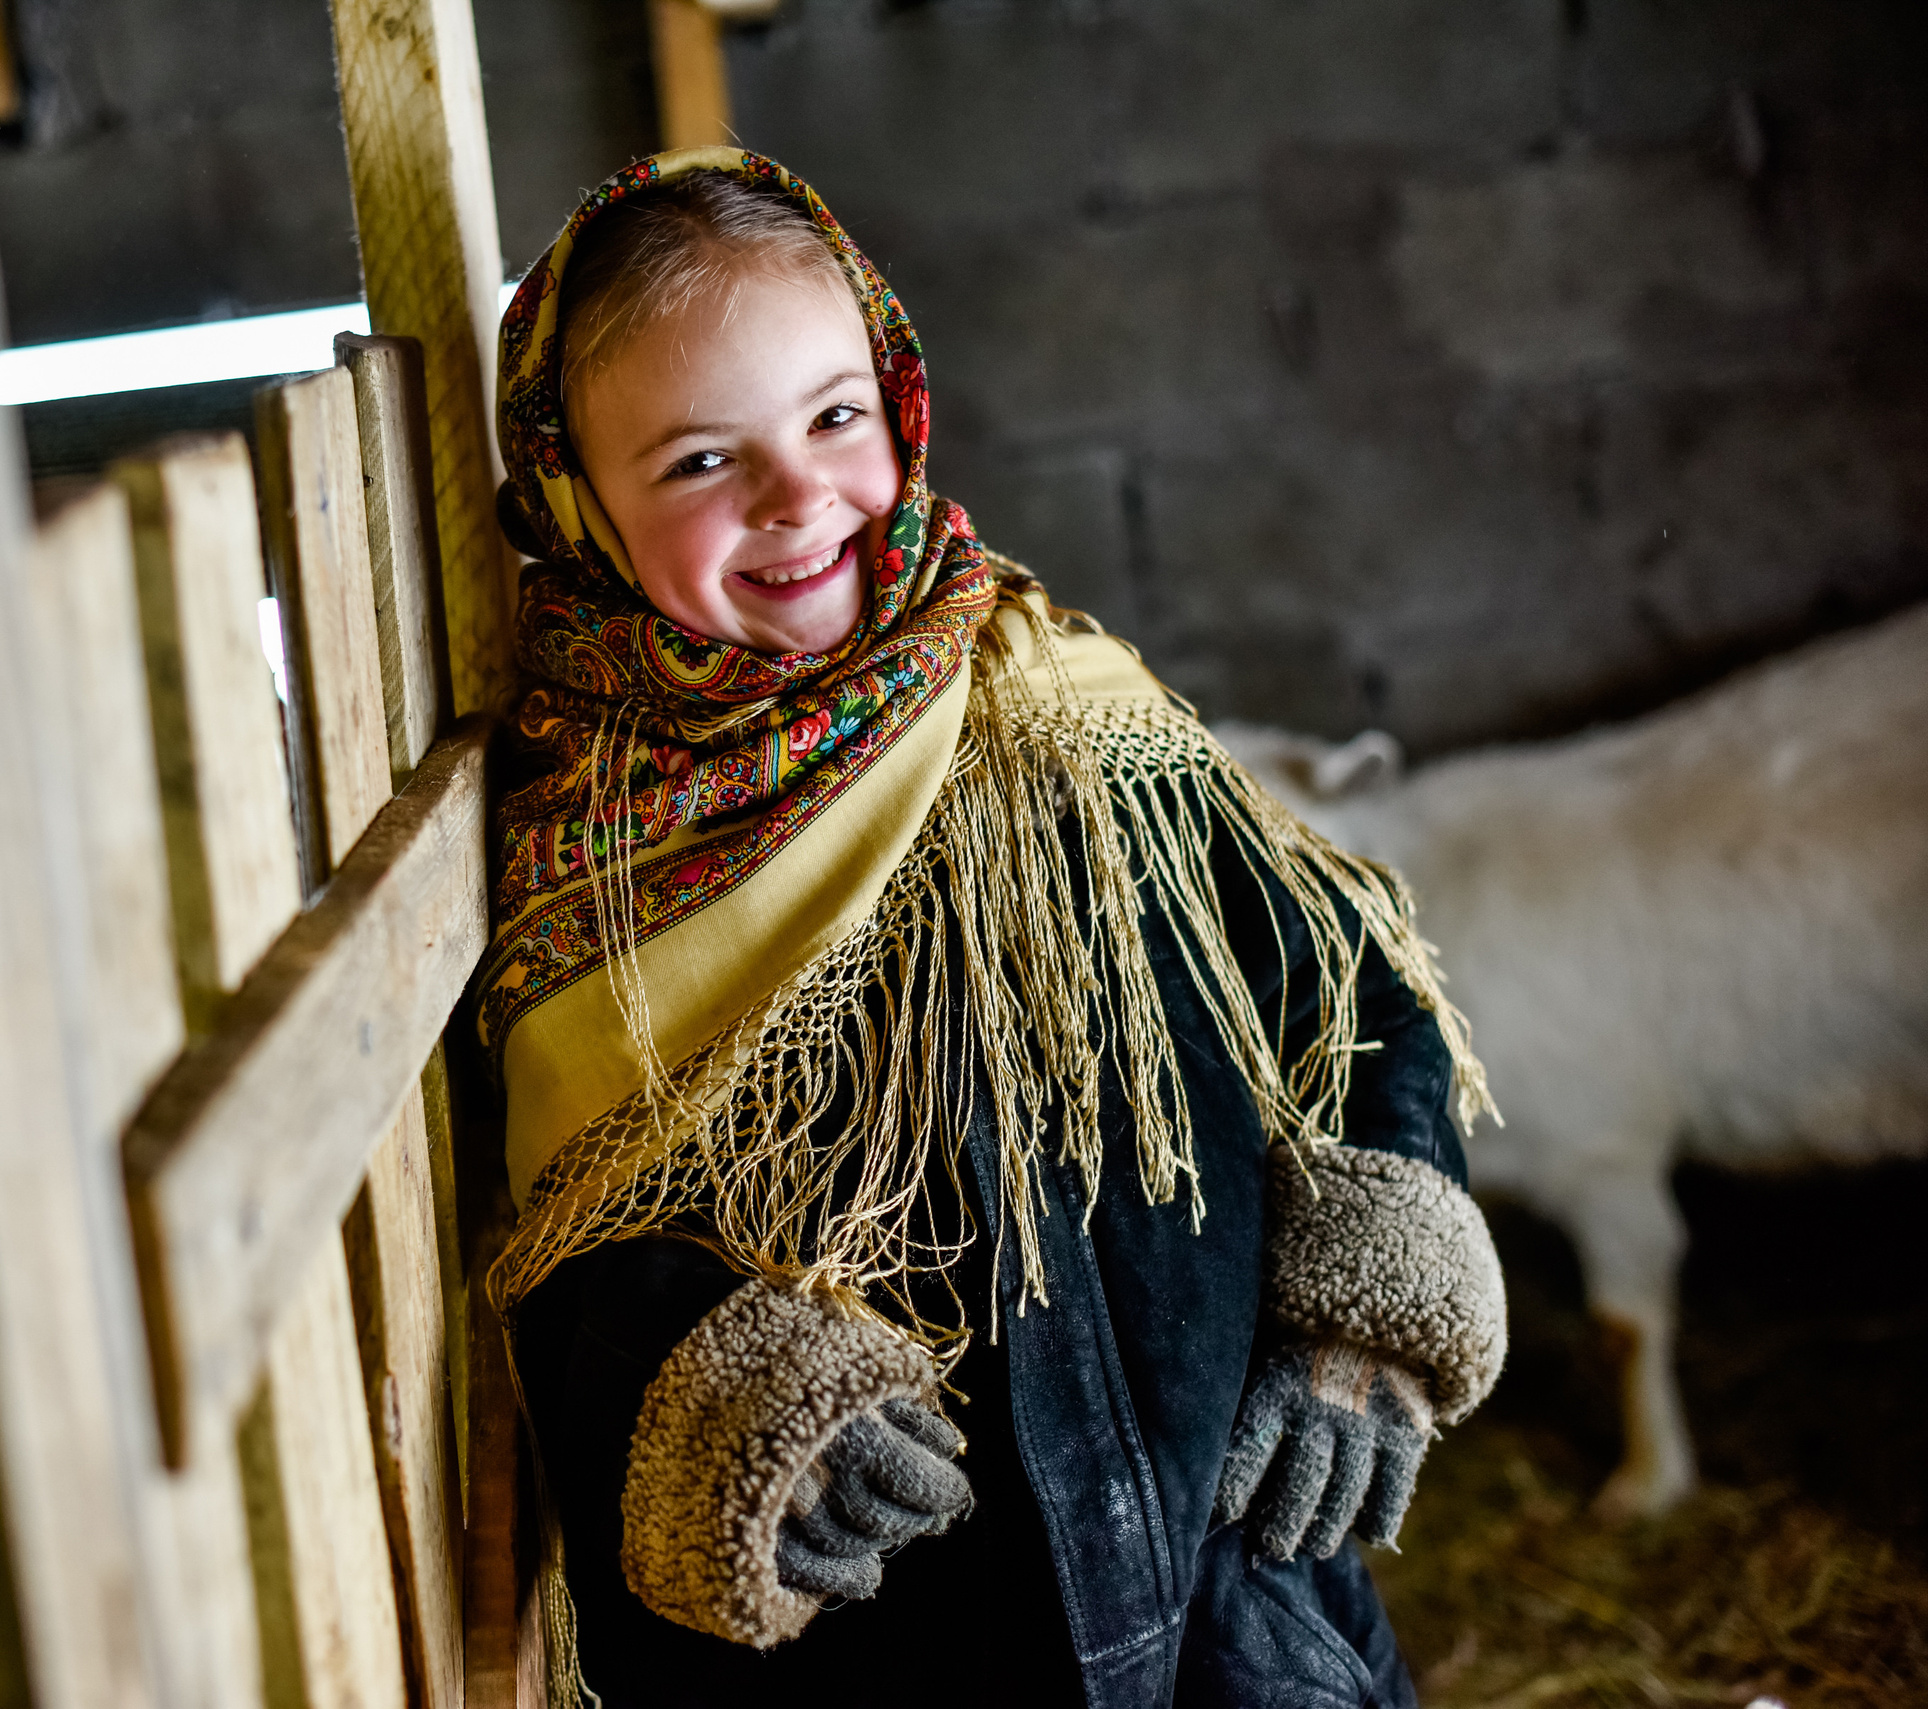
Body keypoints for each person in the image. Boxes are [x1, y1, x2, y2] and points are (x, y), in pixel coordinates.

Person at [474, 150, 1507, 1708]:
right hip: (905, 1654)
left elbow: (1346, 992)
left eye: (834, 415)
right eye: (698, 461)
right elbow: (565, 1260)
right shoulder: (585, 872)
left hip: (1240, 1605)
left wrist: (1371, 1313)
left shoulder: (1073, 719)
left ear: (896, 394)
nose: (795, 493)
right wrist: (727, 1410)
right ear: (573, 500)